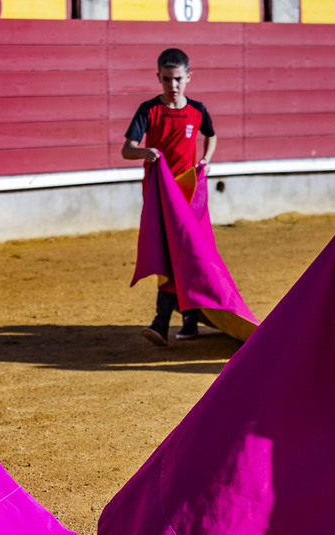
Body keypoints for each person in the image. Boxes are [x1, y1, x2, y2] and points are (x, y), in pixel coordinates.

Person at [122, 47, 217, 346]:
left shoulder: (198, 110)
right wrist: (144, 152)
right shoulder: (149, 110)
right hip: (159, 196)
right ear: (158, 78)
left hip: (188, 194)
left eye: (177, 79)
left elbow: (211, 135)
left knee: (183, 253)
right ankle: (182, 321)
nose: (172, 86)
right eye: (166, 79)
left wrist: (206, 160)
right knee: (170, 254)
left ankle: (166, 322)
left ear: (188, 77)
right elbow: (127, 149)